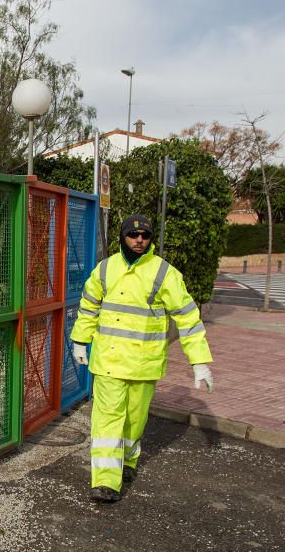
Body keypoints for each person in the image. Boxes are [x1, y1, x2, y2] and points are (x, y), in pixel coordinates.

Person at [70, 214, 214, 503]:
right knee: (107, 421)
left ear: (150, 239)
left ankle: (128, 462)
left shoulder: (164, 274)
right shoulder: (105, 270)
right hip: (109, 363)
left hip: (143, 364)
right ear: (122, 237)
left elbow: (187, 318)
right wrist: (79, 341)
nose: (139, 240)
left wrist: (199, 361)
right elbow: (88, 308)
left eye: (145, 236)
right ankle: (105, 482)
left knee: (134, 421)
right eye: (133, 235)